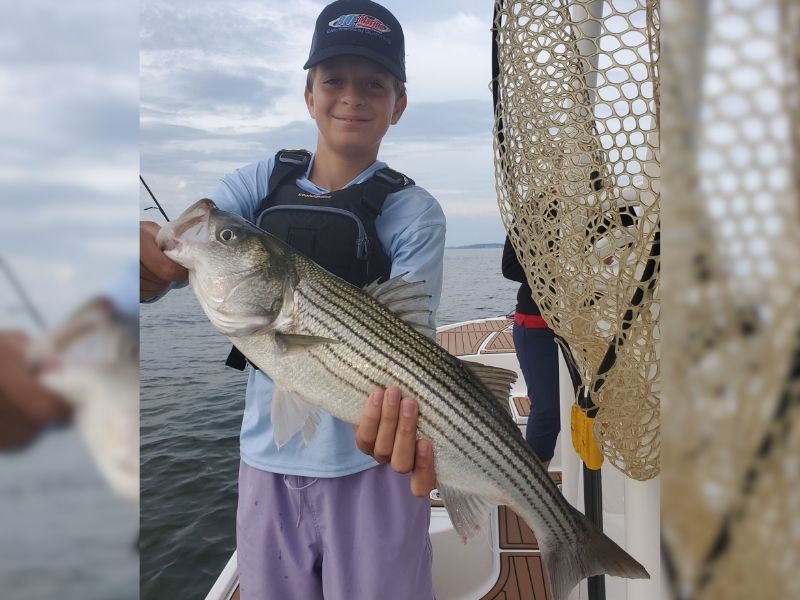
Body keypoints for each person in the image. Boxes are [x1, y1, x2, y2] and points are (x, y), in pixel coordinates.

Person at [140, 2, 445, 598]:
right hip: (267, 457)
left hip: (374, 464)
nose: (351, 97)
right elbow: (185, 246)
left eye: (374, 84)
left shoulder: (415, 211)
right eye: (333, 80)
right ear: (309, 94)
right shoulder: (260, 182)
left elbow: (412, 334)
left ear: (399, 105)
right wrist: (149, 259)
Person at [502, 235, 560, 468]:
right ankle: (534, 485)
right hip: (538, 324)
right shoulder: (531, 214)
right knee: (549, 410)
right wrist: (566, 273)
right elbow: (510, 266)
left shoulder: (608, 210)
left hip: (592, 324)